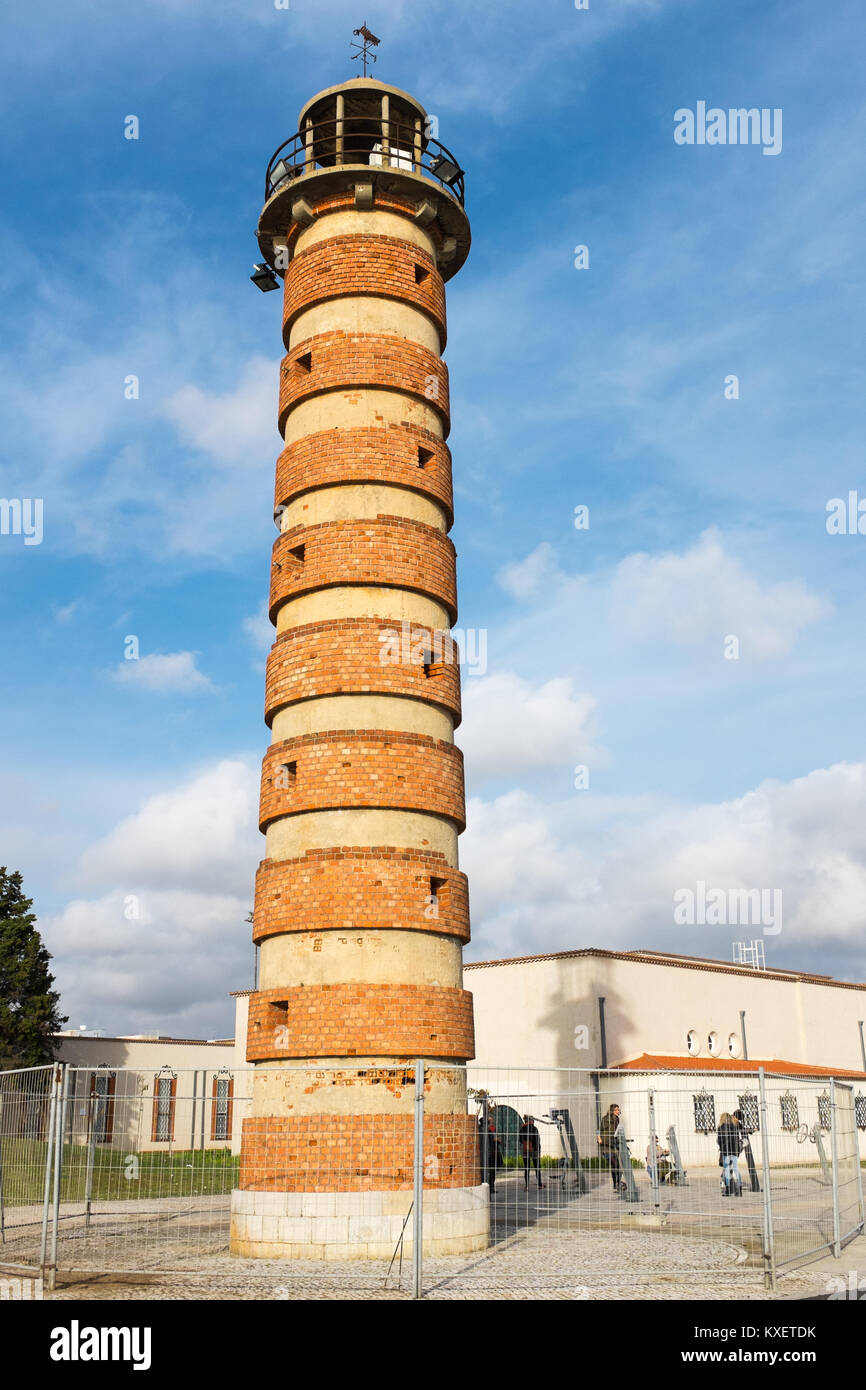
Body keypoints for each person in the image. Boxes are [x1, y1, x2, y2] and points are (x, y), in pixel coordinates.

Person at [598, 1103, 625, 1192]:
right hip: (605, 1146)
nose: (618, 1111)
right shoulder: (605, 1119)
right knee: (614, 1164)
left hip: (613, 1145)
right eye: (616, 1109)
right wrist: (598, 1138)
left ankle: (616, 1183)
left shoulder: (617, 1119)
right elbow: (598, 1129)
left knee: (616, 1165)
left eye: (618, 1109)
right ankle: (616, 1183)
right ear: (612, 1111)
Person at [717, 1112, 743, 1196]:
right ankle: (739, 1189)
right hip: (734, 1151)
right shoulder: (734, 1127)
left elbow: (720, 1141)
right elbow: (737, 1139)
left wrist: (721, 1148)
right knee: (736, 1169)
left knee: (727, 1170)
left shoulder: (721, 1128)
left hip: (726, 1151)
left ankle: (728, 1190)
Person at [479, 1112, 501, 1197]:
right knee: (490, 1172)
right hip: (489, 1154)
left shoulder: (482, 1130)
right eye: (489, 1122)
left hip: (487, 1154)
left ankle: (489, 1187)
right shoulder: (487, 1131)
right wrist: (496, 1142)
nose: (490, 1123)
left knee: (488, 1172)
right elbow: (492, 1143)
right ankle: (489, 1188)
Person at [519, 1114, 543, 1190]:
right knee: (537, 1168)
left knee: (526, 1168)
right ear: (531, 1120)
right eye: (533, 1120)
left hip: (525, 1150)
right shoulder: (534, 1128)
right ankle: (539, 1185)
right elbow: (537, 1139)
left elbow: (520, 1140)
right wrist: (538, 1149)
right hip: (534, 1150)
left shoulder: (522, 1129)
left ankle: (527, 1186)